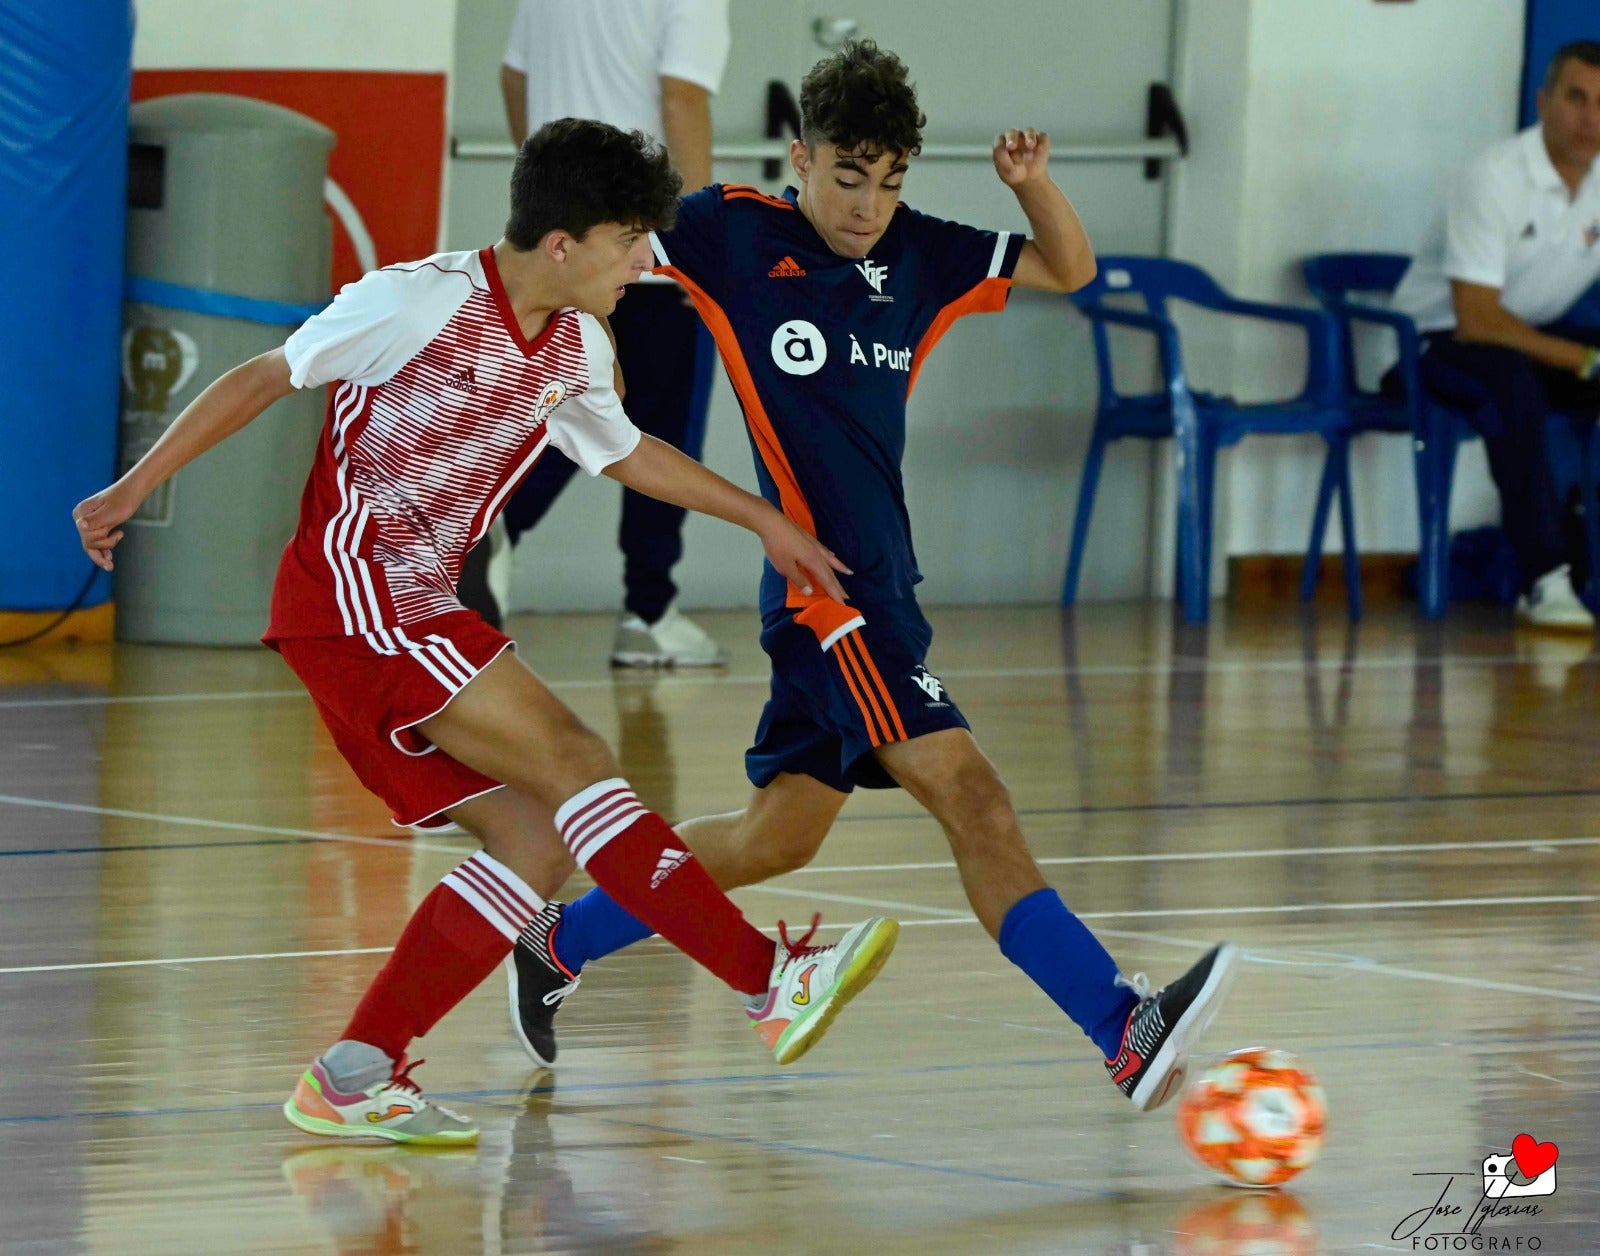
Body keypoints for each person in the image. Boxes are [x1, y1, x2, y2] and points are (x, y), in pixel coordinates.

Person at [72, 119, 899, 1147]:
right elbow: (262, 377)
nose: (647, 262)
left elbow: (629, 452)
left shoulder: (574, 345)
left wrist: (765, 519)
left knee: (538, 834)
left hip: (417, 608)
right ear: (564, 242)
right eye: (631, 240)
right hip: (357, 596)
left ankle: (352, 1071)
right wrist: (128, 487)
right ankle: (769, 980)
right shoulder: (415, 298)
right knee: (576, 758)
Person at [505, 43, 1239, 1114]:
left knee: (776, 836)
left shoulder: (923, 256)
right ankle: (1119, 1025)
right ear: (799, 157)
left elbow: (1070, 269)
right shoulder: (730, 231)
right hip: (825, 600)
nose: (867, 205)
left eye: (889, 180)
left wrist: (1031, 184)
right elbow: (597, 263)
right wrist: (572, 354)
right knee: (971, 794)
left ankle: (558, 940)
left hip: (882, 591)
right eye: (848, 176)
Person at [462, 0, 731, 667]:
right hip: (645, 248)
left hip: (563, 241)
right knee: (659, 425)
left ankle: (492, 525)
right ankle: (648, 610)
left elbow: (513, 77)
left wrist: (550, 200)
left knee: (571, 402)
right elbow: (682, 102)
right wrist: (693, 243)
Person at [1391, 39, 1600, 631]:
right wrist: (1584, 359)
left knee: (1531, 372)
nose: (1590, 119)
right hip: (1435, 346)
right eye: (1576, 99)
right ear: (1543, 102)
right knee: (1513, 388)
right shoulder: (1493, 177)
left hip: (1530, 337)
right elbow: (1476, 319)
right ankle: (1546, 581)